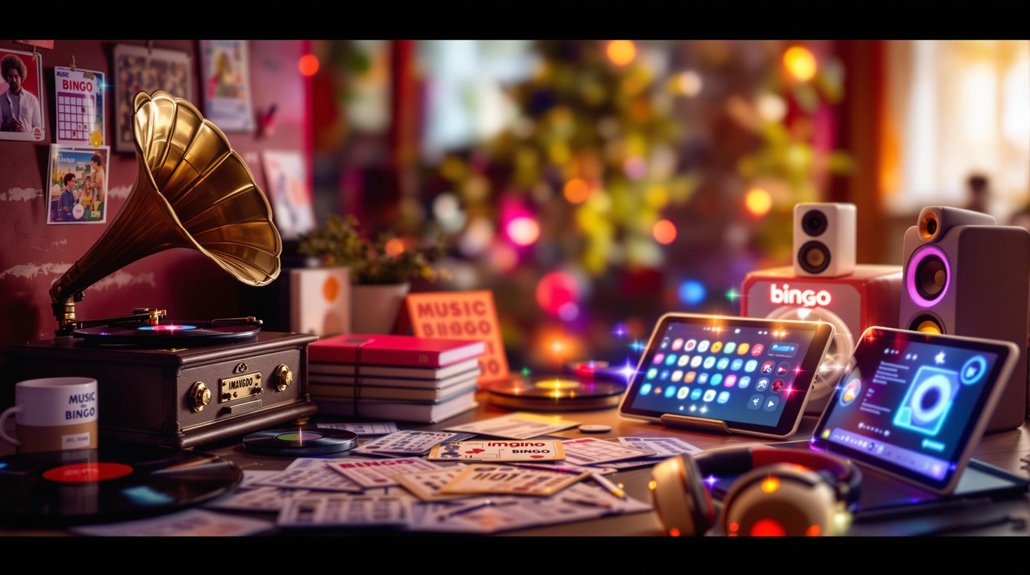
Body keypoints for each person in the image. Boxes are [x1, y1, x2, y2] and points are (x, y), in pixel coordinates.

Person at [0, 54, 41, 133]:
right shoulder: (1, 99)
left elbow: (37, 127)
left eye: (16, 76)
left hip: (27, 143)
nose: (14, 79)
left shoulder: (32, 100)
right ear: (6, 77)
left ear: (21, 77)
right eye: (10, 76)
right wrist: (8, 125)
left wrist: (26, 132)